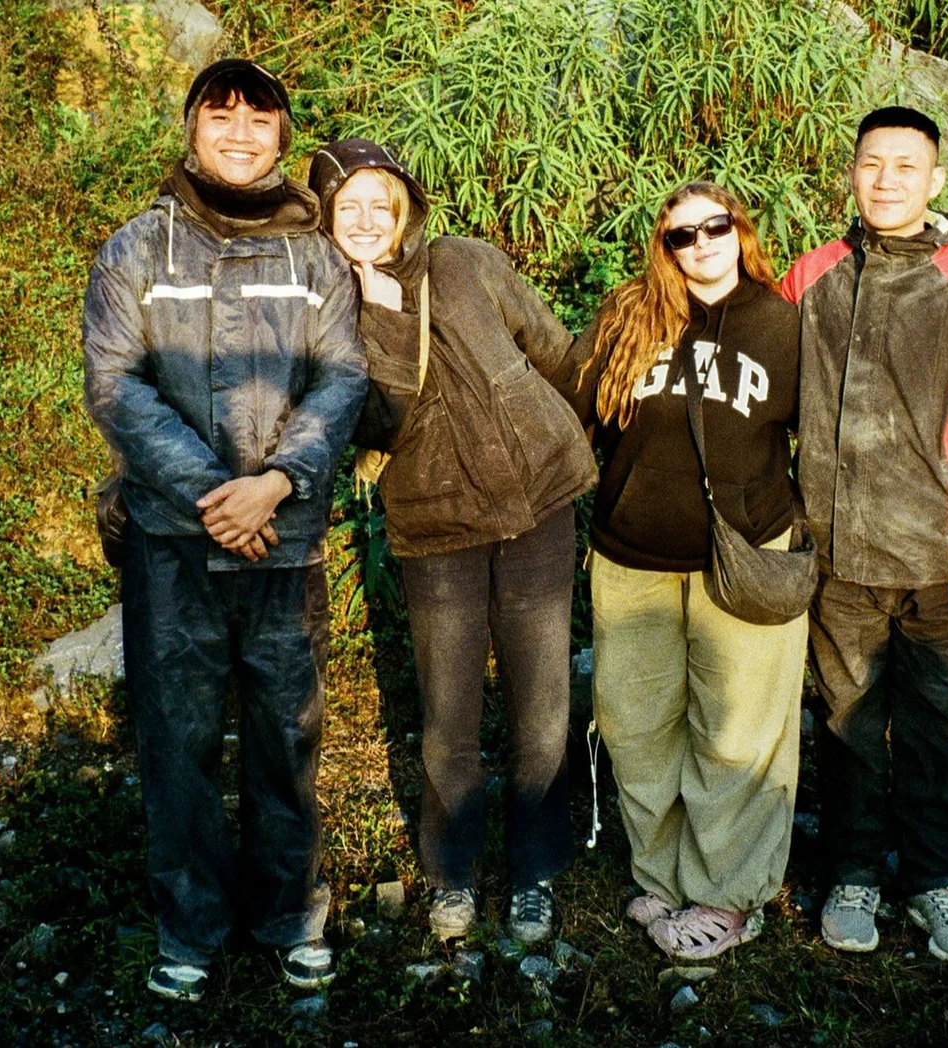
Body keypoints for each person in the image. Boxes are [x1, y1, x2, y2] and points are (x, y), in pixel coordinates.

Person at [83, 59, 367, 1000]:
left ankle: (291, 916)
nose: (239, 133)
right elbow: (115, 386)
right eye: (221, 115)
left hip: (285, 543)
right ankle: (190, 928)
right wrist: (217, 494)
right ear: (191, 128)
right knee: (178, 743)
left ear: (284, 138)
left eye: (259, 118)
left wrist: (278, 482)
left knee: (289, 737)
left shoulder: (317, 257)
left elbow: (343, 377)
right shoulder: (135, 251)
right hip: (172, 544)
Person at [307, 139, 597, 945]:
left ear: (405, 206)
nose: (366, 221)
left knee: (542, 705)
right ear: (327, 222)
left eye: (380, 202)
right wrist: (389, 322)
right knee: (449, 714)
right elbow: (373, 425)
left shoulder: (468, 261)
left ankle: (535, 873)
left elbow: (557, 352)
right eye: (347, 208)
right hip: (435, 526)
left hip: (539, 505)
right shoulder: (324, 306)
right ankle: (453, 875)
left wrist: (587, 436)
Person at [779, 105, 948, 963]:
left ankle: (937, 882)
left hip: (946, 555)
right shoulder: (812, 275)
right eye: (870, 164)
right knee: (846, 720)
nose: (885, 180)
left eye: (904, 166)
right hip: (838, 552)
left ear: (935, 182)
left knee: (936, 725)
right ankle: (852, 873)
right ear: (850, 175)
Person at [558, 182, 807, 961]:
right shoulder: (630, 315)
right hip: (631, 558)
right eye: (681, 236)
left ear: (741, 229)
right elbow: (571, 409)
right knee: (637, 725)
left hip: (744, 560)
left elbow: (826, 437)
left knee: (736, 733)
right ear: (662, 248)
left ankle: (728, 895)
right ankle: (661, 876)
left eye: (715, 227)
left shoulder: (782, 324)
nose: (701, 244)